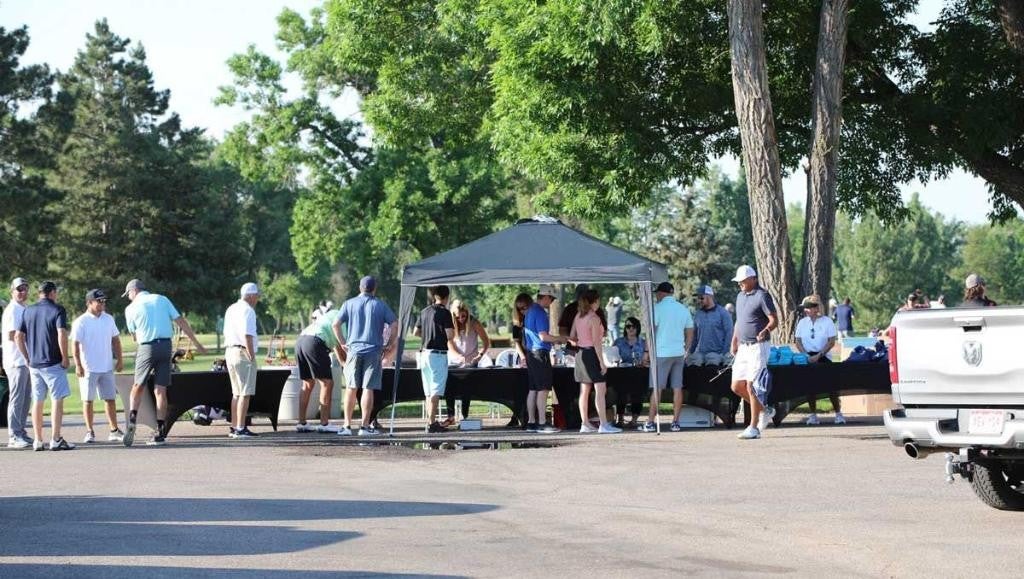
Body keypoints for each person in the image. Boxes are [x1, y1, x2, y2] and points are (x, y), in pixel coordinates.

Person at [122, 278, 207, 447]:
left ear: (134, 291)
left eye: (128, 294)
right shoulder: (162, 299)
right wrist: (196, 343)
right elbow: (180, 320)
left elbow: (133, 335)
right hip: (165, 347)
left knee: (138, 385)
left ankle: (132, 420)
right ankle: (160, 432)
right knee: (160, 390)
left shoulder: (131, 308)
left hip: (147, 346)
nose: (128, 297)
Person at [15, 281, 73, 451]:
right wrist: (65, 356)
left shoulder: (28, 310)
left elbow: (19, 336)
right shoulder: (57, 310)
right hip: (53, 361)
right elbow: (62, 333)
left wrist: (27, 357)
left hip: (34, 364)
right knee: (57, 399)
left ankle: (38, 440)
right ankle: (55, 439)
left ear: (40, 293)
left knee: (37, 400)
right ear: (52, 292)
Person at [338, 275, 399, 436]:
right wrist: (390, 343)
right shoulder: (380, 305)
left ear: (360, 287)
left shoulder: (349, 303)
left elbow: (335, 324)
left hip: (353, 350)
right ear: (374, 288)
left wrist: (343, 342)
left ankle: (346, 426)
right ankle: (364, 427)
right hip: (373, 351)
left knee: (351, 387)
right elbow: (394, 323)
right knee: (368, 388)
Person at [729, 265, 778, 440]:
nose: (740, 284)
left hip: (759, 346)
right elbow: (739, 321)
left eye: (743, 281)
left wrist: (766, 330)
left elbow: (774, 320)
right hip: (743, 346)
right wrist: (734, 341)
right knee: (736, 386)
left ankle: (753, 427)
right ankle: (765, 409)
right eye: (739, 281)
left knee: (752, 386)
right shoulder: (740, 296)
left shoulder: (762, 295)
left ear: (753, 279)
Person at [70, 289, 125, 444]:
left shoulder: (108, 319)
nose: (102, 303)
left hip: (106, 366)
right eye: (99, 301)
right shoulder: (81, 321)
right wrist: (78, 365)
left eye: (103, 301)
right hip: (88, 367)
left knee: (110, 399)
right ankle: (90, 431)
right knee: (88, 400)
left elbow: (116, 341)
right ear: (89, 303)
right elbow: (74, 344)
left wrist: (119, 360)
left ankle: (114, 430)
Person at [643, 281, 694, 433]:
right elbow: (690, 331)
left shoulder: (657, 309)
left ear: (661, 293)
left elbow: (650, 333)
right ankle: (675, 422)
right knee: (677, 388)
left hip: (661, 353)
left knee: (657, 389)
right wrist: (686, 349)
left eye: (657, 293)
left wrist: (646, 352)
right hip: (678, 353)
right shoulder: (683, 309)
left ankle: (651, 422)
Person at [570, 289, 622, 434]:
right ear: (595, 301)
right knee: (600, 390)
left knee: (584, 391)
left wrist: (580, 342)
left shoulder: (578, 316)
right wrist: (602, 362)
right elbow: (597, 343)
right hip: (591, 353)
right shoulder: (594, 318)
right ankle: (603, 424)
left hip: (580, 354)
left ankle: (585, 423)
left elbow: (572, 337)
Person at [523, 285, 568, 433]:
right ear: (546, 297)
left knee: (533, 389)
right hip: (540, 353)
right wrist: (560, 339)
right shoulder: (541, 313)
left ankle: (531, 422)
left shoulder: (529, 311)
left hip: (531, 353)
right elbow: (543, 336)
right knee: (543, 389)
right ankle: (542, 422)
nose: (552, 302)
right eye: (552, 299)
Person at [414, 286, 459, 433]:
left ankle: (430, 421)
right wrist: (439, 336)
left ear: (434, 296)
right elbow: (450, 335)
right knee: (435, 390)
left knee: (428, 391)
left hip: (424, 354)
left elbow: (416, 332)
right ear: (447, 297)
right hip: (438, 355)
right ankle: (432, 424)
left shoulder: (424, 311)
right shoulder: (445, 313)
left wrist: (429, 336)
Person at [294, 302, 344, 433]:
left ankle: (302, 423)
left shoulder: (332, 315)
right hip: (316, 342)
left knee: (307, 382)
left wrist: (343, 362)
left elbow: (336, 345)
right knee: (327, 382)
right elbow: (342, 345)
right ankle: (324, 424)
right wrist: (346, 363)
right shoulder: (346, 320)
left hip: (301, 340)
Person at [793, 295, 843, 425]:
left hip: (823, 356)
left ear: (816, 308)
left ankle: (838, 413)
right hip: (808, 357)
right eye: (805, 308)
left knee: (831, 386)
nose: (806, 310)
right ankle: (813, 414)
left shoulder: (827, 321)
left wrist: (819, 355)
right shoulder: (802, 322)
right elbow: (798, 341)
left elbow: (831, 341)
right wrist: (805, 355)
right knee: (810, 387)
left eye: (808, 308)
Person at [443, 300, 492, 426]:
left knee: (466, 389)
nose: (461, 319)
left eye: (463, 316)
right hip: (454, 361)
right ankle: (451, 416)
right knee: (449, 388)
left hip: (471, 361)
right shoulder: (451, 324)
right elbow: (450, 343)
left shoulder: (474, 323)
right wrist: (459, 356)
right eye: (457, 317)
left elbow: (486, 342)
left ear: (467, 314)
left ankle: (465, 416)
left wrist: (479, 355)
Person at [223, 282, 261, 439]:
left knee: (236, 393)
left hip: (230, 352)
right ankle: (240, 427)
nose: (257, 299)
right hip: (242, 352)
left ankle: (234, 426)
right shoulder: (248, 310)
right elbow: (247, 335)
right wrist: (251, 355)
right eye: (257, 296)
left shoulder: (231, 308)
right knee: (245, 393)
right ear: (251, 295)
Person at [3, 277, 33, 449]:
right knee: (16, 398)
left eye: (24, 289)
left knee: (25, 398)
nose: (22, 292)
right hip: (17, 361)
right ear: (12, 291)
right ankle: (13, 435)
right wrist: (27, 356)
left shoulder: (25, 308)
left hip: (26, 361)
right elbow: (12, 335)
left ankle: (21, 431)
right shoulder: (13, 310)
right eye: (19, 289)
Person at [612, 316, 647, 427]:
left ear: (638, 328)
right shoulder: (618, 342)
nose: (631, 329)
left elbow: (648, 358)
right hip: (622, 373)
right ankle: (620, 419)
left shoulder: (643, 343)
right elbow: (611, 356)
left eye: (633, 326)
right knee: (621, 393)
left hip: (639, 373)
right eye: (628, 326)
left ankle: (634, 419)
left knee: (638, 394)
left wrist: (644, 361)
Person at [690, 285, 733, 365]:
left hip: (717, 356)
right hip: (701, 355)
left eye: (701, 298)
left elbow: (729, 334)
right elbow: (694, 336)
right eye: (698, 298)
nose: (699, 300)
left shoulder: (723, 313)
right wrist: (690, 352)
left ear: (710, 297)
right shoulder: (698, 314)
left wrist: (724, 353)